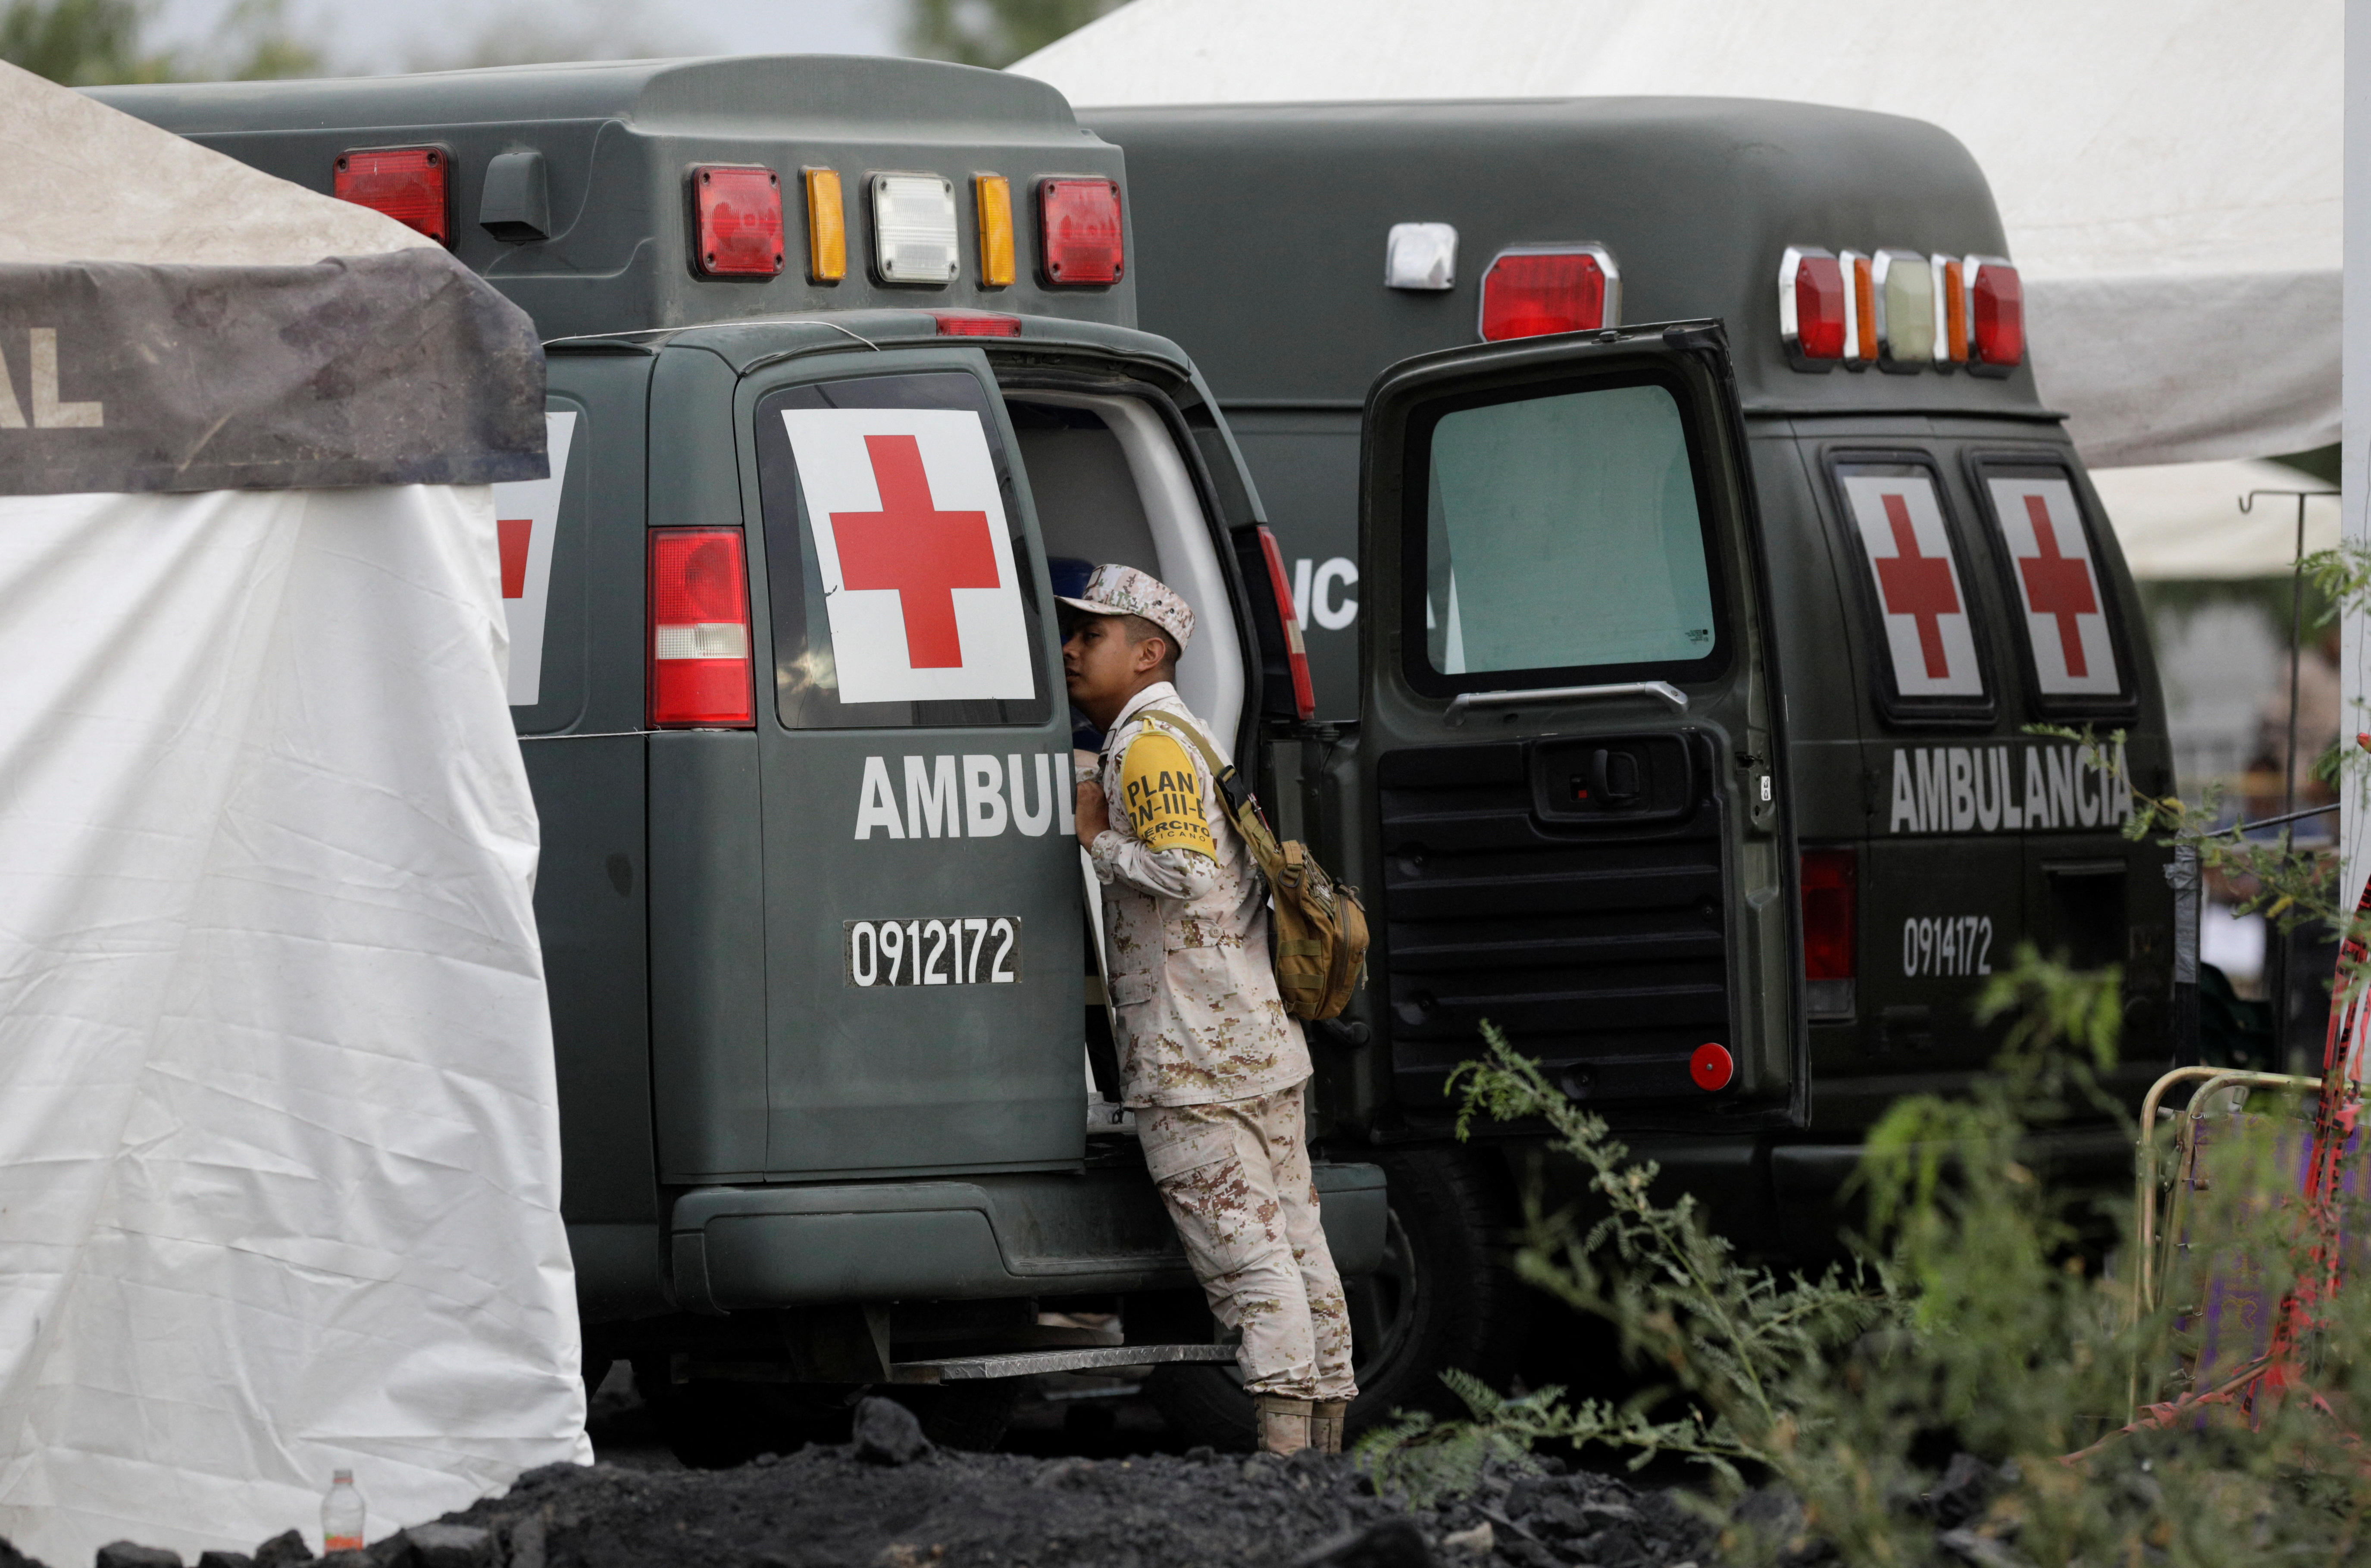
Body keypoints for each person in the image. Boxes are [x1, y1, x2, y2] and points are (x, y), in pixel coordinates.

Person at [1058, 563, 1358, 1456]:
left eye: (1093, 635)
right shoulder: (1188, 734)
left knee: (1248, 1262)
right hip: (1255, 1042)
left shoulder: (1145, 742)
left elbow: (1183, 873)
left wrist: (1094, 838)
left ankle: (1281, 1468)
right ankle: (1325, 1454)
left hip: (1195, 1060)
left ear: (1149, 653)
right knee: (1300, 1249)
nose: (1071, 648)